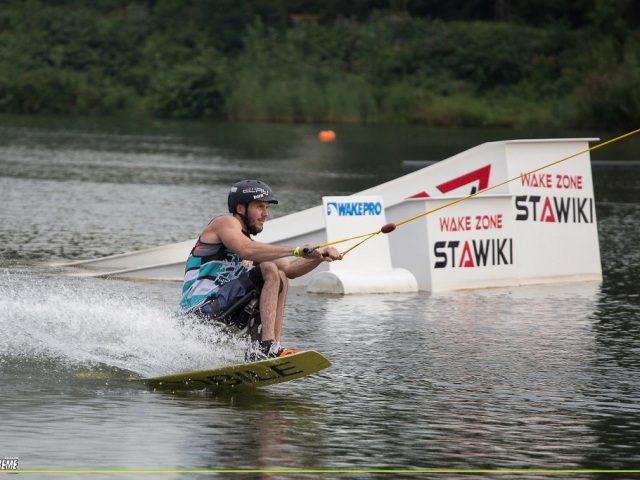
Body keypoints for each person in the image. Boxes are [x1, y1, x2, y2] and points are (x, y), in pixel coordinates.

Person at [179, 180, 341, 359]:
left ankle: (267, 348)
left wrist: (319, 257)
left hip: (223, 307)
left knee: (280, 275)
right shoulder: (224, 223)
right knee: (269, 269)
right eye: (260, 206)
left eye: (267, 208)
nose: (265, 214)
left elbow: (290, 269)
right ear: (240, 208)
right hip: (199, 313)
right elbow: (245, 249)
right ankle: (268, 347)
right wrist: (296, 250)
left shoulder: (251, 246)